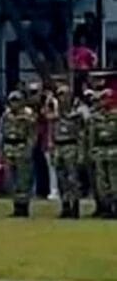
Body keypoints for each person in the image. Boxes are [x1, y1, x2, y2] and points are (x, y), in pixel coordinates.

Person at [50, 85, 87, 219]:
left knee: (73, 179)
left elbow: (82, 135)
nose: (62, 98)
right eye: (60, 95)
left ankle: (75, 206)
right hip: (59, 146)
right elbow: (52, 132)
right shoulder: (56, 114)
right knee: (61, 179)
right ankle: (65, 205)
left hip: (71, 146)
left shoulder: (76, 115)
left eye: (64, 95)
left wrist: (81, 154)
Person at [0, 91, 37, 218]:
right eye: (12, 101)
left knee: (23, 180)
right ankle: (16, 205)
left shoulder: (28, 115)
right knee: (10, 179)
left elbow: (32, 134)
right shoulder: (6, 115)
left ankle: (24, 207)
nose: (14, 104)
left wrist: (29, 149)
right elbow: (1, 133)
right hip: (9, 147)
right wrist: (1, 152)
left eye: (17, 100)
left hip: (22, 147)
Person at [88, 96, 117, 219]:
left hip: (114, 150)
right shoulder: (95, 118)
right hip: (100, 151)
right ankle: (106, 207)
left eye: (105, 99)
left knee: (114, 180)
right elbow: (91, 136)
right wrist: (92, 151)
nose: (103, 102)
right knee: (101, 182)